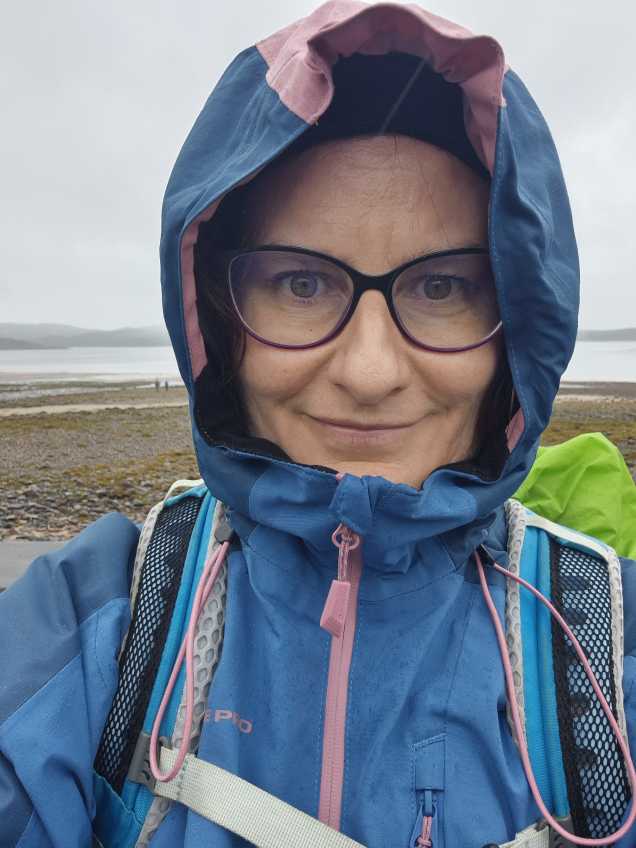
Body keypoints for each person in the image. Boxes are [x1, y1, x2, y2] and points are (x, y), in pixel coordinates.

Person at [1, 2, 635, 847]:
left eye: (443, 288)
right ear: (221, 322)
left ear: (520, 325)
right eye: (301, 285)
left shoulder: (602, 663)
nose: (369, 372)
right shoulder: (100, 626)